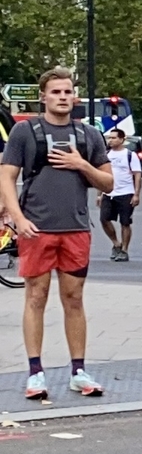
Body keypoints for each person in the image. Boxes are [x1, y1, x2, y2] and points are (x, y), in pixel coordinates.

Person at [0, 70, 113, 401]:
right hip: (36, 227)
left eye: (68, 91)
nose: (63, 97)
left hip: (76, 227)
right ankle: (35, 372)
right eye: (56, 92)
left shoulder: (88, 135)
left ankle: (78, 370)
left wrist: (82, 165)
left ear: (74, 97)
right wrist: (17, 218)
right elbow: (7, 177)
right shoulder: (25, 131)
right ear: (43, 96)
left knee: (74, 299)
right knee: (36, 297)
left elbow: (108, 183)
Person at [99, 129, 142, 261]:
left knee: (125, 222)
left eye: (114, 138)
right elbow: (101, 174)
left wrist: (136, 194)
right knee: (104, 219)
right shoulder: (106, 155)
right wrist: (99, 193)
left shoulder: (130, 155)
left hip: (126, 192)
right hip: (109, 192)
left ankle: (124, 249)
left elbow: (137, 175)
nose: (110, 140)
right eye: (109, 138)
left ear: (122, 139)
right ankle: (116, 243)